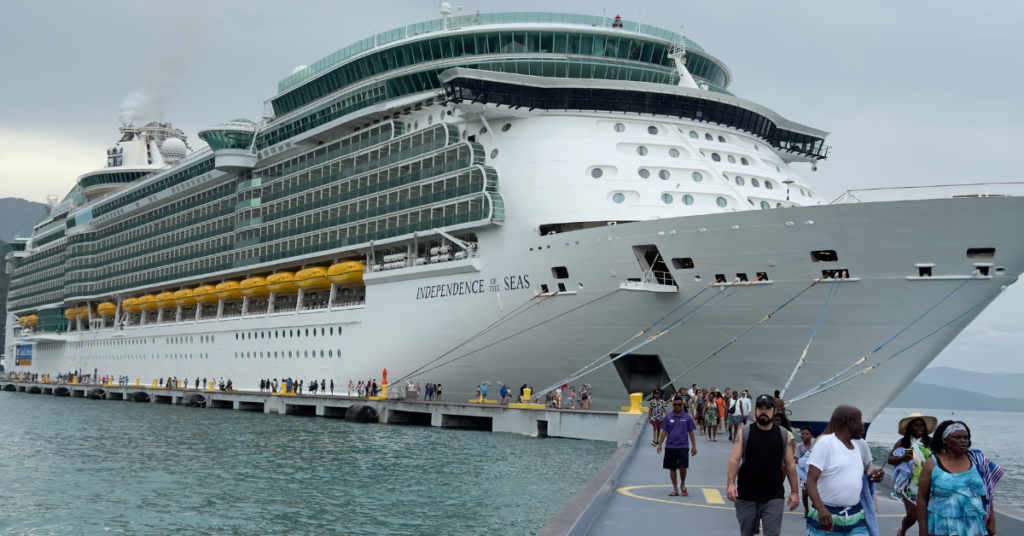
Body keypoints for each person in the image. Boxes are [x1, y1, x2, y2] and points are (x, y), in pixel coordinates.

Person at [726, 394, 799, 536]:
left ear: (773, 411)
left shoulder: (784, 435)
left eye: (767, 408)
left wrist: (795, 492)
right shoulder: (744, 433)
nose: (763, 411)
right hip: (747, 494)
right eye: (760, 408)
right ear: (755, 411)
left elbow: (790, 465)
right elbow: (734, 460)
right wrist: (730, 484)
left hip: (773, 494)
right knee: (747, 533)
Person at [805, 405, 883, 536]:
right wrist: (821, 509)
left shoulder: (857, 447)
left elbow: (852, 476)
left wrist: (871, 477)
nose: (863, 424)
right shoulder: (826, 443)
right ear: (850, 422)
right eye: (860, 420)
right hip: (828, 514)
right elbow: (811, 480)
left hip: (855, 515)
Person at [917, 420, 1002, 536]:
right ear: (945, 440)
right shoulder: (932, 463)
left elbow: (987, 492)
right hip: (941, 526)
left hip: (973, 527)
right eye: (957, 437)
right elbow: (922, 498)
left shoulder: (978, 461)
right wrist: (922, 531)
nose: (963, 440)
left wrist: (991, 520)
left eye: (965, 437)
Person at [887, 413, 936, 536]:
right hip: (909, 483)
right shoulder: (903, 442)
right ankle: (902, 531)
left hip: (928, 482)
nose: (919, 428)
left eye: (922, 426)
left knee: (925, 516)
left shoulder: (931, 442)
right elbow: (890, 460)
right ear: (910, 428)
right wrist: (902, 459)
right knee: (912, 516)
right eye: (916, 425)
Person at [656, 397, 697, 497]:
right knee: (672, 468)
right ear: (672, 405)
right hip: (670, 446)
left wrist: (694, 446)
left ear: (682, 405)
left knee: (683, 467)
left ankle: (682, 483)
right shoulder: (668, 417)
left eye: (679, 404)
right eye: (675, 405)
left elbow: (691, 432)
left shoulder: (687, 417)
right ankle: (675, 489)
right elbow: (664, 431)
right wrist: (660, 444)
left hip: (683, 446)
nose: (677, 406)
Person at [796, 426, 814, 516]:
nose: (804, 436)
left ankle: (815, 509)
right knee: (805, 493)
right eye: (802, 434)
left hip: (814, 472)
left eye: (807, 434)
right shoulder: (799, 447)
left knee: (814, 492)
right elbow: (796, 459)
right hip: (803, 472)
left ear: (811, 436)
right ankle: (806, 510)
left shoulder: (815, 446)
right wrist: (804, 461)